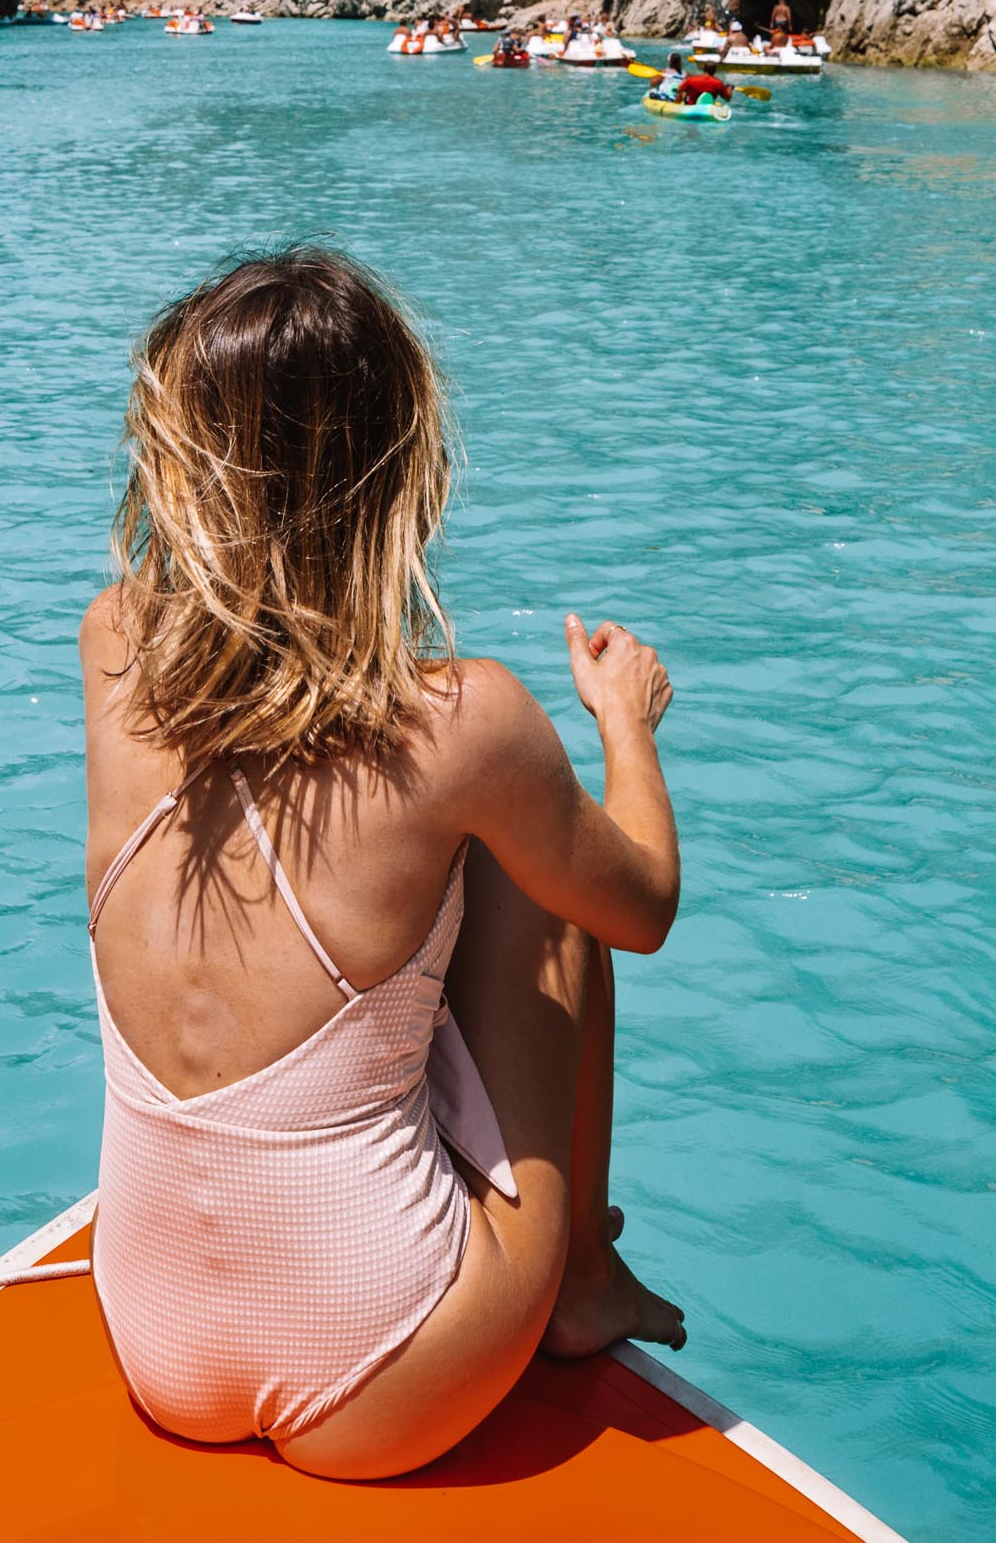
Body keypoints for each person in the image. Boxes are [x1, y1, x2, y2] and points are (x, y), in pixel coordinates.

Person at [82, 251, 684, 1481]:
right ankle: (578, 1280)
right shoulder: (464, 723)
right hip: (390, 1367)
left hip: (155, 1346)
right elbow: (642, 906)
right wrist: (622, 719)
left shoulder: (110, 649)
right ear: (392, 473)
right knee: (544, 875)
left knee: (462, 858)